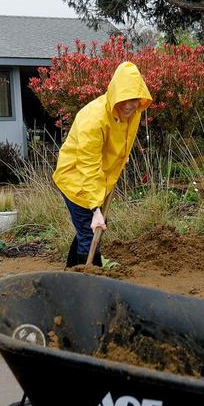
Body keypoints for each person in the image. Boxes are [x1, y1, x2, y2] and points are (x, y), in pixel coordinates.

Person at [53, 61, 152, 267]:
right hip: (75, 177)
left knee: (87, 228)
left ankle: (71, 272)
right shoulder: (94, 118)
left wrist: (109, 181)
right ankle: (92, 285)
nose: (128, 104)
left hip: (98, 177)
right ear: (114, 94)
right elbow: (88, 165)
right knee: (91, 233)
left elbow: (119, 147)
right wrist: (96, 208)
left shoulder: (134, 113)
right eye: (124, 99)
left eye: (133, 99)